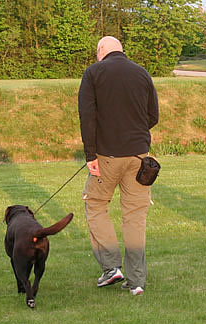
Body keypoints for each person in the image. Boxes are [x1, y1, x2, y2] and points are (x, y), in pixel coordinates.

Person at [78, 36, 159, 295]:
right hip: (139, 157)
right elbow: (153, 116)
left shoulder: (93, 73)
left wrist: (91, 154)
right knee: (135, 217)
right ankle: (136, 281)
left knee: (96, 205)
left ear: (101, 51)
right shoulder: (142, 73)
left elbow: (87, 116)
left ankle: (111, 267)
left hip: (107, 157)